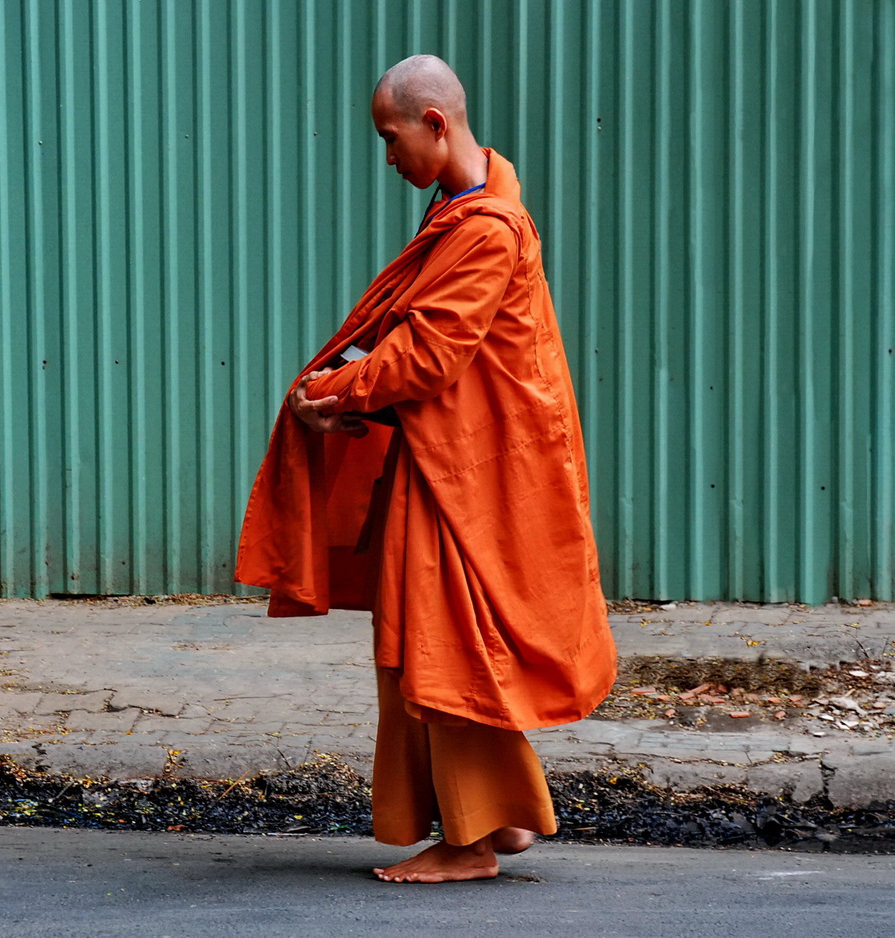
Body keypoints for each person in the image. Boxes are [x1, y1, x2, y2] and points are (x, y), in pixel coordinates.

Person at [235, 54, 617, 883]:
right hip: (443, 461)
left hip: (472, 478)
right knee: (426, 641)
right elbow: (420, 338)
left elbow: (428, 355)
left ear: (434, 125)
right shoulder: (465, 205)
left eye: (390, 136)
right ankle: (497, 818)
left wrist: (333, 391)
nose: (388, 157)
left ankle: (471, 842)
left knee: (443, 642)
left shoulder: (485, 230)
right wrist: (342, 387)